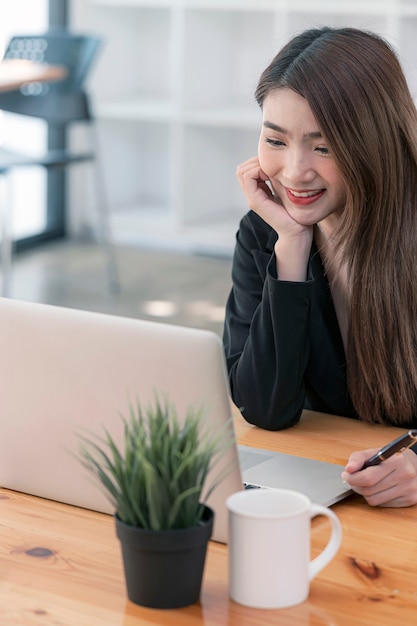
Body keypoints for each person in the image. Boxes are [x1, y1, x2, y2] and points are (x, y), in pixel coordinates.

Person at [223, 26, 417, 507]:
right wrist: (291, 246)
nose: (294, 171)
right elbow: (266, 410)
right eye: (276, 139)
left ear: (373, 143)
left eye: (323, 146)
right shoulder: (264, 234)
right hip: (325, 493)